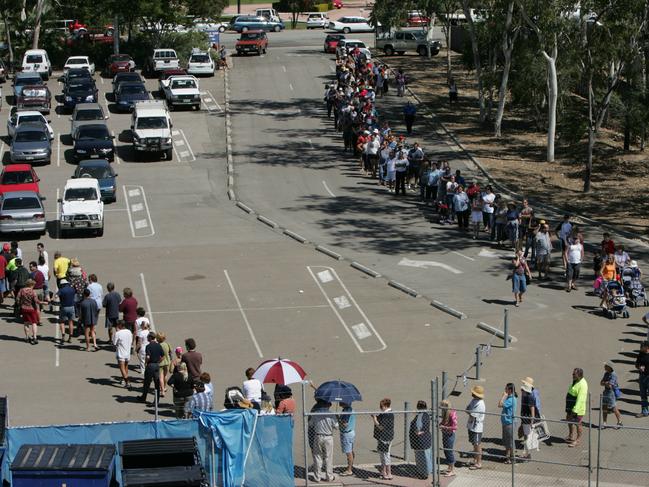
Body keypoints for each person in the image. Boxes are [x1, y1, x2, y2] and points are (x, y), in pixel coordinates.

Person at [309, 399, 338, 483]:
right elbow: (336, 426)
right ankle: (329, 476)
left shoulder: (315, 413)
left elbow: (311, 424)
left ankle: (317, 477)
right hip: (328, 437)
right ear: (328, 405)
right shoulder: (331, 414)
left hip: (318, 436)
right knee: (328, 457)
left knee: (317, 457)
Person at [372, 398, 394, 480]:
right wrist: (376, 417)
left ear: (385, 406)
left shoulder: (387, 414)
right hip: (383, 437)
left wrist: (374, 419)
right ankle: (383, 471)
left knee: (385, 454)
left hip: (385, 437)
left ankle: (389, 473)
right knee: (382, 453)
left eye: (381, 406)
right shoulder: (386, 413)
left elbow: (381, 427)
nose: (380, 407)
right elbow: (380, 418)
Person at [565, 368, 588, 447]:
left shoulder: (583, 385)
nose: (572, 375)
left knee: (578, 424)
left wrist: (574, 411)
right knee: (568, 420)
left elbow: (580, 400)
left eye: (574, 374)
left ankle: (577, 440)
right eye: (573, 374)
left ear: (579, 375)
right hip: (570, 406)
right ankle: (571, 435)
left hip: (577, 409)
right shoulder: (576, 380)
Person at [409, 400, 432, 479]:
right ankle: (427, 472)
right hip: (426, 441)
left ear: (418, 407)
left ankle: (423, 474)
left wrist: (417, 432)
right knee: (427, 457)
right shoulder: (426, 415)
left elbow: (418, 429)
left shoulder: (420, 416)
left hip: (419, 442)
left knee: (421, 458)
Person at [520, 377, 541, 459]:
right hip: (526, 420)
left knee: (527, 438)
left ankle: (527, 454)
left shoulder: (529, 397)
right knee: (526, 437)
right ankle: (527, 454)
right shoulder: (525, 396)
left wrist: (532, 422)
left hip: (528, 421)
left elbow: (532, 411)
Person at [139, 332, 163, 404]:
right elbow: (163, 356)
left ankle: (143, 397)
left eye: (148, 337)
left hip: (150, 365)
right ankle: (156, 401)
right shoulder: (159, 345)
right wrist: (159, 361)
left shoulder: (148, 346)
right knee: (157, 383)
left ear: (150, 337)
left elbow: (148, 357)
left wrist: (146, 362)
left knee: (147, 382)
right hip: (156, 365)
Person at [466, 385, 485, 470]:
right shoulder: (474, 400)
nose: (471, 394)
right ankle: (475, 460)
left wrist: (469, 411)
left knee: (477, 445)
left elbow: (472, 414)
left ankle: (479, 462)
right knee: (474, 444)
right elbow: (467, 409)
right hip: (471, 425)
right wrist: (469, 411)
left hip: (477, 427)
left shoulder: (480, 404)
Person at [498, 383, 517, 463]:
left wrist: (503, 396)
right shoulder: (509, 398)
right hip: (506, 422)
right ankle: (507, 456)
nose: (505, 390)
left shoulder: (511, 399)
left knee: (510, 442)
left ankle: (512, 458)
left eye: (506, 389)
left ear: (509, 390)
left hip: (509, 423)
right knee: (506, 441)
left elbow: (500, 404)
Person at [17, 279, 40, 344]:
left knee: (26, 323)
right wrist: (43, 302)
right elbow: (36, 301)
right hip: (32, 309)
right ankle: (35, 337)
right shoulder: (33, 292)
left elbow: (17, 299)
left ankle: (27, 337)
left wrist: (21, 304)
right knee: (34, 323)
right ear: (31, 285)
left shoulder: (21, 290)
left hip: (24, 308)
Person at [601, 362, 623, 427]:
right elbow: (601, 383)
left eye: (606, 366)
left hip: (611, 393)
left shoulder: (613, 375)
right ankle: (604, 423)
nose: (604, 366)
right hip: (606, 392)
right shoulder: (606, 373)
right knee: (604, 407)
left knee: (613, 408)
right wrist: (606, 383)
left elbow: (610, 386)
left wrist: (605, 383)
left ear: (609, 367)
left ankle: (620, 421)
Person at [113, 320, 133, 389]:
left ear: (120, 325)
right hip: (128, 352)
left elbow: (114, 343)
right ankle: (124, 380)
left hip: (121, 353)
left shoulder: (118, 333)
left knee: (122, 368)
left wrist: (116, 332)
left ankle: (127, 382)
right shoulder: (129, 331)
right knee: (126, 367)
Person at [439, 399, 457, 477]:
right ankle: (449, 467)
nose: (441, 408)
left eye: (442, 406)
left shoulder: (451, 414)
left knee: (449, 452)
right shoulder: (445, 413)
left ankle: (452, 470)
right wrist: (440, 424)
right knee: (446, 451)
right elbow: (443, 422)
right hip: (445, 434)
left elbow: (455, 427)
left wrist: (444, 427)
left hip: (450, 435)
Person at [338, 402, 356, 476]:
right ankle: (350, 466)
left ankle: (349, 470)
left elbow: (345, 424)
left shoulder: (346, 411)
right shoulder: (349, 409)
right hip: (351, 432)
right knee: (351, 451)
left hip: (347, 434)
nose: (339, 402)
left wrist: (338, 420)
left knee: (348, 452)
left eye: (341, 401)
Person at [57, 279, 76, 343]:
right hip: (71, 307)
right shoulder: (72, 289)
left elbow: (56, 296)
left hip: (64, 307)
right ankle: (70, 337)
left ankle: (63, 336)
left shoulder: (61, 290)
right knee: (71, 322)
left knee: (62, 322)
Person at [635, 341, 649, 417]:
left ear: (647, 347)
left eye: (642, 346)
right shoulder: (640, 354)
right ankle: (645, 411)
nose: (640, 348)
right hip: (642, 377)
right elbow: (636, 364)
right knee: (643, 395)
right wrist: (639, 367)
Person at [157, 332, 172, 397]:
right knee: (165, 375)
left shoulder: (158, 345)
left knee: (160, 377)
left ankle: (162, 390)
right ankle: (164, 387)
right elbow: (170, 352)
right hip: (167, 362)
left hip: (160, 362)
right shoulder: (167, 344)